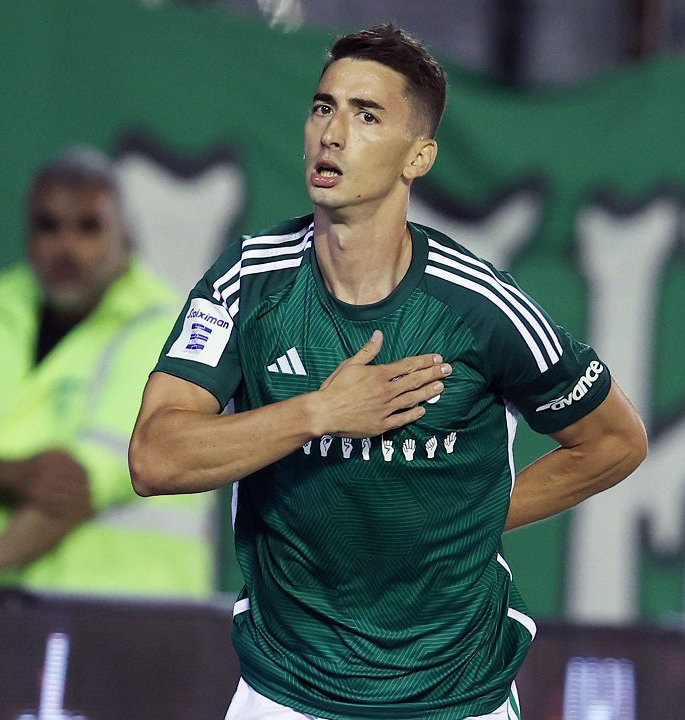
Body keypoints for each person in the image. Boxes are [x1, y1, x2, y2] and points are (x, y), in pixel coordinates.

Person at [130, 24, 647, 720]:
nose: (332, 133)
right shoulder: (248, 281)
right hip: (286, 693)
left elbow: (614, 440)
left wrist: (469, 521)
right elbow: (155, 458)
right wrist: (320, 412)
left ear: (419, 156)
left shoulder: (478, 305)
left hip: (456, 698)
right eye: (323, 108)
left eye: (366, 115)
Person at [0, 147, 215, 598]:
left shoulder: (168, 331)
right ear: (27, 236)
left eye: (88, 227)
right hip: (16, 612)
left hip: (137, 613)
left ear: (126, 237)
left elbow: (75, 491)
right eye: (48, 226)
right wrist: (17, 474)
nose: (66, 247)